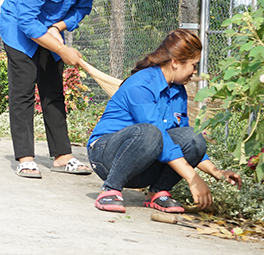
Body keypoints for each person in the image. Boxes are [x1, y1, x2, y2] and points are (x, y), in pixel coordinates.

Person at [0, 0, 116, 178]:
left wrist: (58, 27)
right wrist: (63, 50)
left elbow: (82, 9)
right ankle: (26, 157)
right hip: (20, 29)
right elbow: (27, 21)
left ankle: (62, 157)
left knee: (53, 91)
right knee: (24, 90)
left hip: (50, 30)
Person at [88, 29, 242, 213]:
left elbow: (183, 141)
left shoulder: (178, 90)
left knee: (193, 138)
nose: (194, 72)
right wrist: (193, 178)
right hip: (106, 157)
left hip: (142, 164)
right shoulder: (141, 85)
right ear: (175, 62)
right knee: (151, 132)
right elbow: (157, 133)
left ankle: (157, 193)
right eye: (193, 65)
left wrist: (216, 172)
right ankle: (110, 189)